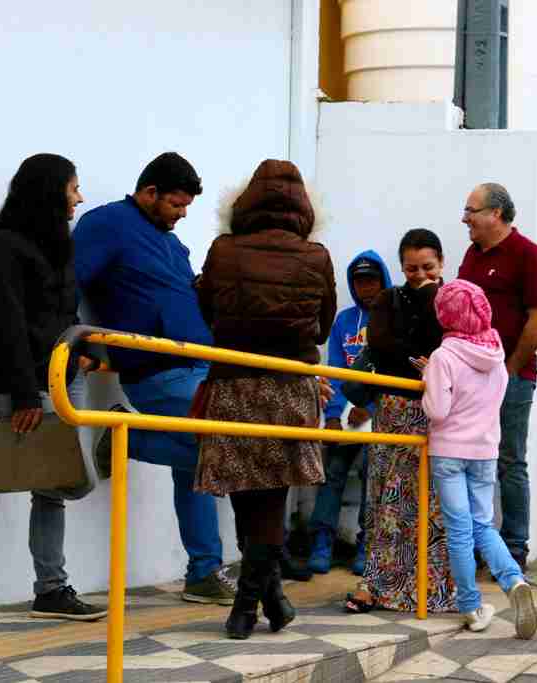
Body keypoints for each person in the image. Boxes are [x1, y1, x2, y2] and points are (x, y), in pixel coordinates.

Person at [73, 152, 234, 605]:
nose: (182, 215)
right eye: (176, 205)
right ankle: (124, 435)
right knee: (207, 451)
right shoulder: (105, 224)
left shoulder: (171, 242)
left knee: (197, 463)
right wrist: (79, 343)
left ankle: (203, 573)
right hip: (156, 370)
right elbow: (70, 283)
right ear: (149, 193)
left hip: (200, 363)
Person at [193, 159, 336, 638]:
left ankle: (254, 602)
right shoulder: (316, 256)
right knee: (272, 501)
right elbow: (325, 326)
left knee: (244, 496)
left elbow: (206, 307)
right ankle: (254, 603)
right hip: (288, 384)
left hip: (232, 382)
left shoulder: (223, 249)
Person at [0, 154, 106, 620]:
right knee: (66, 482)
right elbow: (5, 323)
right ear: (51, 191)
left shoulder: (57, 244)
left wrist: (93, 351)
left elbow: (70, 313)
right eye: (74, 188)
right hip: (29, 380)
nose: (80, 197)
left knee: (61, 485)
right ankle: (51, 588)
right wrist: (26, 395)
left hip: (69, 373)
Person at [344, 229, 457, 614]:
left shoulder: (452, 299)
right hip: (392, 412)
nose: (419, 275)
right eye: (410, 268)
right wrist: (420, 355)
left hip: (434, 414)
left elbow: (448, 344)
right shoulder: (389, 299)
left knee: (430, 504)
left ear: (442, 263)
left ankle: (430, 588)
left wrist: (429, 298)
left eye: (427, 267)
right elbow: (382, 345)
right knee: (385, 502)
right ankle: (376, 583)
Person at [423, 279, 537, 638]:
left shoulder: (443, 357)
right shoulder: (496, 354)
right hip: (485, 451)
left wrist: (427, 380)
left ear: (445, 315)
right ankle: (513, 581)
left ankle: (471, 606)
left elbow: (438, 410)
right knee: (482, 525)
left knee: (459, 530)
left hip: (449, 453)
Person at [458, 183, 537, 568]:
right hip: (470, 377)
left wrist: (509, 369)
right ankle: (477, 544)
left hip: (512, 376)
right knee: (472, 459)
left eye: (471, 210)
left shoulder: (528, 255)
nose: (465, 218)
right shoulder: (472, 255)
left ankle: (514, 548)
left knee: (510, 460)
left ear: (496, 213)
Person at [307, 251, 392, 575]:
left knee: (373, 474)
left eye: (371, 281)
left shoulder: (391, 314)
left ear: (382, 280)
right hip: (345, 412)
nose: (365, 288)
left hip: (377, 412)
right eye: (359, 282)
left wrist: (368, 406)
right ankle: (322, 541)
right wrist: (331, 413)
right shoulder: (344, 320)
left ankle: (367, 544)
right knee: (333, 471)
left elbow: (392, 368)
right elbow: (336, 370)